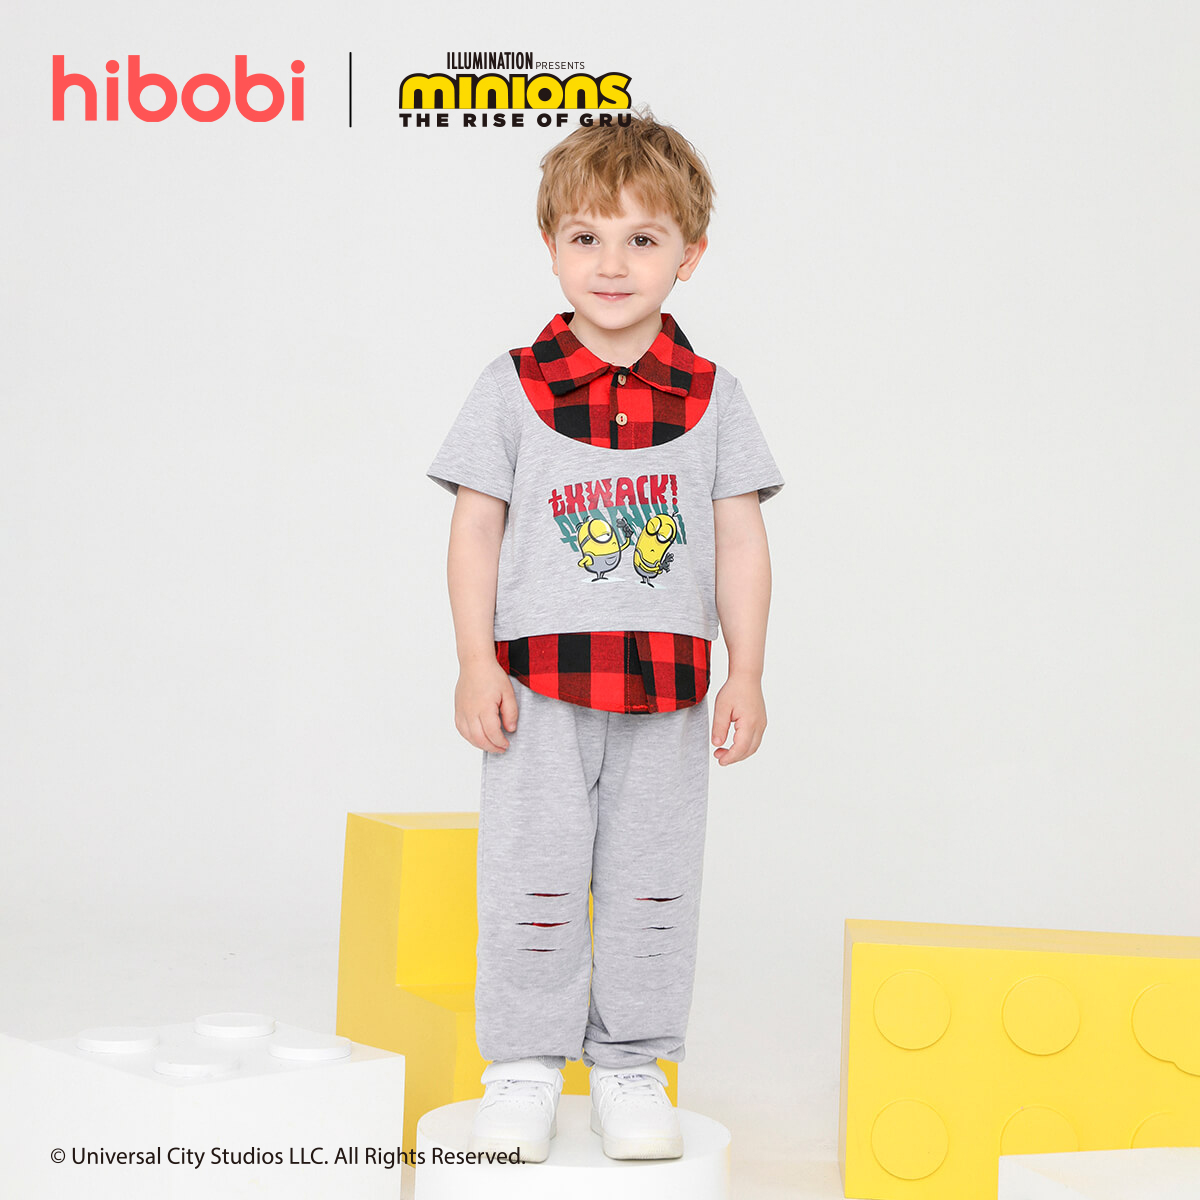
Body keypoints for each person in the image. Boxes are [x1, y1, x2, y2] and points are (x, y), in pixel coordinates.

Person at [427, 112, 783, 1163]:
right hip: (536, 686)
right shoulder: (510, 387)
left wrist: (749, 672)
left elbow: (741, 540)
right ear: (551, 247)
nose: (613, 264)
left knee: (652, 883)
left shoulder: (716, 399)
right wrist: (474, 660)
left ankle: (633, 1062)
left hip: (669, 689)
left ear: (690, 255)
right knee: (531, 879)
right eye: (586, 237)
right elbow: (474, 529)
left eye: (642, 239)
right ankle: (524, 1066)